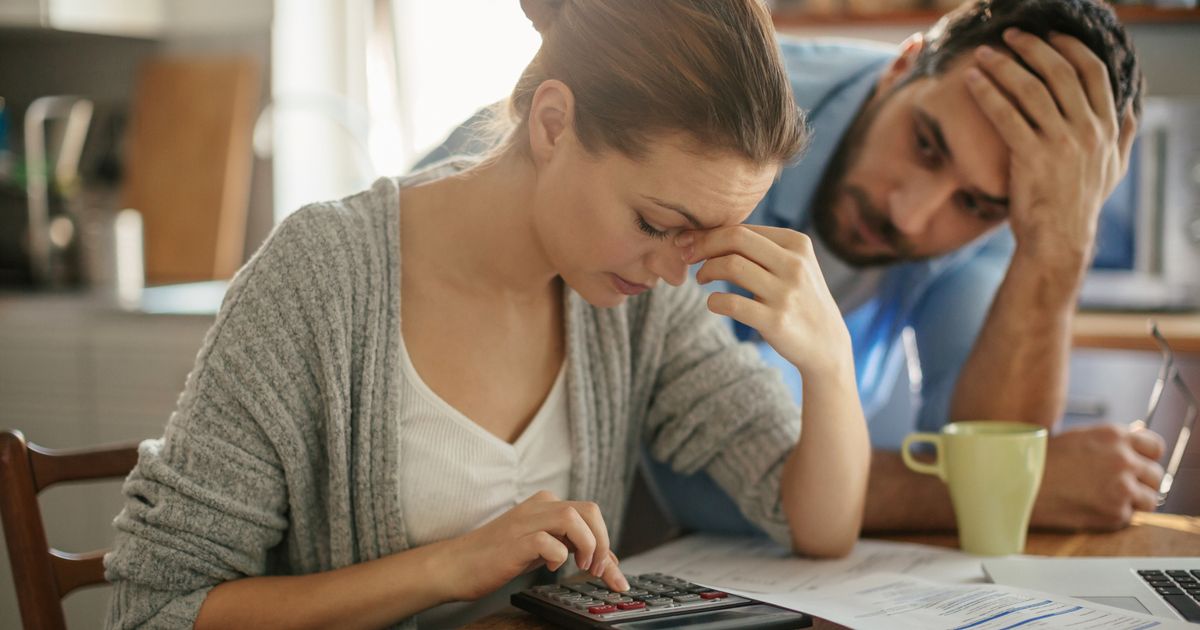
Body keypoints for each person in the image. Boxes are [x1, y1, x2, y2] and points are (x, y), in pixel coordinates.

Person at [103, 1, 871, 628]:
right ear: (552, 124)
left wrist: (829, 363)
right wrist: (447, 567)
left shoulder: (630, 304)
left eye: (703, 238)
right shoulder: (321, 278)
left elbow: (816, 524)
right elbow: (158, 608)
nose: (677, 270)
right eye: (655, 222)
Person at [420, 0, 1164, 538]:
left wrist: (1057, 249)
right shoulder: (724, 129)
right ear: (903, 65)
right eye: (926, 144)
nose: (913, 214)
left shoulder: (1008, 212)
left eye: (974, 204)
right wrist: (1017, 492)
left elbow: (986, 480)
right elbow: (718, 486)